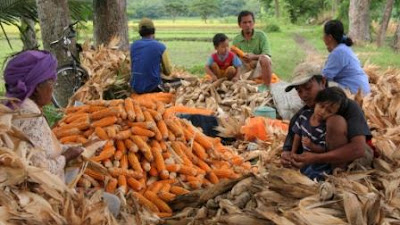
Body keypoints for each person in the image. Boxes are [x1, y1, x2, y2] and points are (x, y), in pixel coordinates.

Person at [4, 50, 120, 216]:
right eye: (52, 82)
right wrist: (67, 157)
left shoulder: (13, 106)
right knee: (113, 203)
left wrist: (79, 148)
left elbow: (40, 150)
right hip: (40, 199)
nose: (53, 89)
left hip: (26, 191)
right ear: (37, 88)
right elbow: (39, 169)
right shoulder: (31, 116)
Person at [281, 62, 373, 179]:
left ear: (323, 82)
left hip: (354, 160)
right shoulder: (304, 114)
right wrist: (287, 154)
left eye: (308, 88)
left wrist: (316, 158)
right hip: (321, 161)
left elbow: (358, 149)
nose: (304, 95)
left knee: (335, 121)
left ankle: (337, 176)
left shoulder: (349, 107)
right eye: (299, 91)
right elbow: (293, 137)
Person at [290, 87, 349, 180]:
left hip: (319, 160)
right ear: (316, 102)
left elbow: (325, 149)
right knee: (293, 170)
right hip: (305, 155)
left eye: (329, 111)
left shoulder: (326, 127)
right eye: (321, 106)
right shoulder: (304, 116)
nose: (322, 112)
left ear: (335, 114)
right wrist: (293, 152)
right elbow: (297, 134)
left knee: (314, 174)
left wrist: (311, 146)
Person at [322, 20, 371, 95]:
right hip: (361, 90)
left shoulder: (338, 52)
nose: (322, 38)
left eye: (324, 35)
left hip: (356, 94)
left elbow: (325, 77)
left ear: (329, 37)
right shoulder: (343, 48)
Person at [130, 18, 172, 93]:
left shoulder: (133, 46)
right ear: (153, 30)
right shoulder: (160, 47)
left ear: (140, 32)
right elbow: (168, 71)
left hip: (135, 87)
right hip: (153, 88)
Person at [232, 10, 272, 87]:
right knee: (232, 64)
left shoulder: (261, 36)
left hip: (259, 67)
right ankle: (242, 81)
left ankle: (267, 86)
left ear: (253, 23)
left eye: (250, 22)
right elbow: (234, 57)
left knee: (265, 58)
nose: (248, 25)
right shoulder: (236, 39)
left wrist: (253, 56)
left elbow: (267, 53)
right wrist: (243, 58)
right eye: (244, 22)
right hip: (244, 68)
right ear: (239, 24)